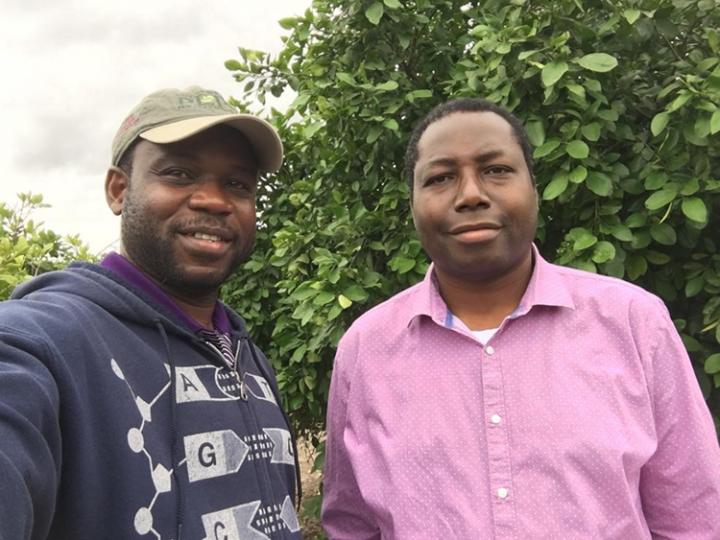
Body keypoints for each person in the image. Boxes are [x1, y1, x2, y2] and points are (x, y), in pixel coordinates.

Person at [322, 98, 720, 538]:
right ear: (413, 203)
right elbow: (352, 526)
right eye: (440, 178)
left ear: (534, 186)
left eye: (496, 170)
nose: (471, 194)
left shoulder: (633, 323)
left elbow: (694, 518)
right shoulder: (366, 350)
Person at [0, 87, 302, 539]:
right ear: (119, 190)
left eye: (237, 184)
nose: (214, 200)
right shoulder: (46, 342)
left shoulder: (246, 356)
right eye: (180, 173)